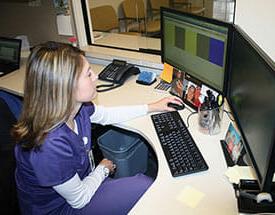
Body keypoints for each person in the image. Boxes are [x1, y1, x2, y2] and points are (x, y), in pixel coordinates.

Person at [12, 41, 183, 215]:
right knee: (143, 185)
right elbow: (79, 200)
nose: (95, 76)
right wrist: (103, 169)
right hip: (60, 209)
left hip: (81, 184)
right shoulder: (49, 144)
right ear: (65, 86)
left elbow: (106, 115)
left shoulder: (74, 109)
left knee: (137, 186)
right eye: (88, 74)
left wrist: (152, 106)